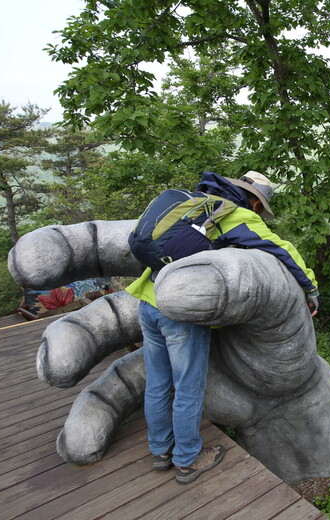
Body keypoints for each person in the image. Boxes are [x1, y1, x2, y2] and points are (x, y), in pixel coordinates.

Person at [125, 170, 320, 484]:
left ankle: (160, 451)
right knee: (188, 388)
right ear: (255, 201)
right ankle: (187, 459)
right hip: (180, 312)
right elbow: (280, 248)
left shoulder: (200, 204)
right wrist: (310, 286)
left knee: (159, 383)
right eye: (260, 207)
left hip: (148, 301)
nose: (258, 213)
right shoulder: (235, 214)